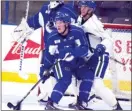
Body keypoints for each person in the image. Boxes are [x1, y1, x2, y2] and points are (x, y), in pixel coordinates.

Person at [70, 1, 122, 110]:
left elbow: (108, 38)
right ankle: (83, 101)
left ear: (91, 9)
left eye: (85, 7)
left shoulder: (95, 24)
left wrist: (101, 47)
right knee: (79, 78)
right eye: (81, 6)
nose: (82, 9)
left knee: (97, 84)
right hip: (88, 57)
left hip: (100, 57)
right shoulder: (80, 19)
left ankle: (116, 106)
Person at [39, 12, 94, 110]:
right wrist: (45, 69)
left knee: (88, 75)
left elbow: (85, 49)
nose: (57, 25)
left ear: (67, 23)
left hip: (77, 62)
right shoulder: (52, 37)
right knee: (65, 79)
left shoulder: (77, 32)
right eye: (56, 22)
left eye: (60, 22)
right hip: (61, 62)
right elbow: (48, 55)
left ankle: (81, 102)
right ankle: (51, 103)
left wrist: (72, 51)